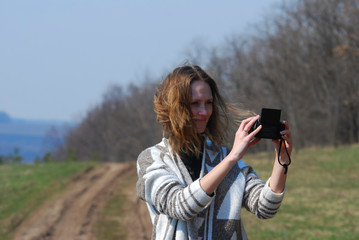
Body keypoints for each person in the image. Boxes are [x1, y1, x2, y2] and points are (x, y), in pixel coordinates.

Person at [136, 65, 293, 240]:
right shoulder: (152, 159)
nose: (204, 112)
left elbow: (266, 208)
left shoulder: (226, 158)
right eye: (195, 104)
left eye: (208, 103)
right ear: (174, 107)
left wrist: (282, 160)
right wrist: (232, 157)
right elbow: (180, 206)